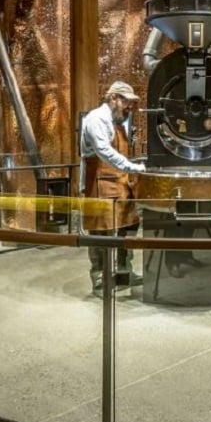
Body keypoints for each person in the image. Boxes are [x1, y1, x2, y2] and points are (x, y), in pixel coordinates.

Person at [79, 81, 146, 298]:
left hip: (120, 183)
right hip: (100, 183)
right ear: (113, 98)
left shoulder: (117, 121)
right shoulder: (96, 119)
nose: (130, 107)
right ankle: (100, 278)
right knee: (100, 232)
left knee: (129, 226)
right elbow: (104, 152)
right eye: (126, 101)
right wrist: (134, 167)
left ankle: (124, 272)